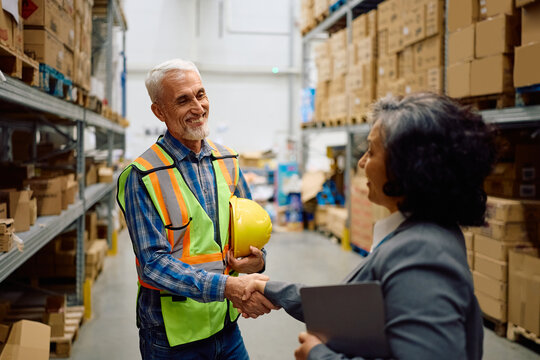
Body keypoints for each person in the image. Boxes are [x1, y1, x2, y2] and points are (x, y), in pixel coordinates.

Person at [243, 93, 497, 359]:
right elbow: (360, 307)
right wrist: (274, 291)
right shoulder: (420, 231)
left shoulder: (422, 252)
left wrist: (319, 355)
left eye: (372, 151)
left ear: (408, 167)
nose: (362, 162)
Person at [116, 58, 277, 360]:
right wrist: (230, 287)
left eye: (200, 94)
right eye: (183, 100)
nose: (198, 107)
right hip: (173, 336)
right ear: (159, 111)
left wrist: (256, 262)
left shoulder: (227, 161)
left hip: (226, 324)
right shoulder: (142, 175)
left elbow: (245, 232)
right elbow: (153, 263)